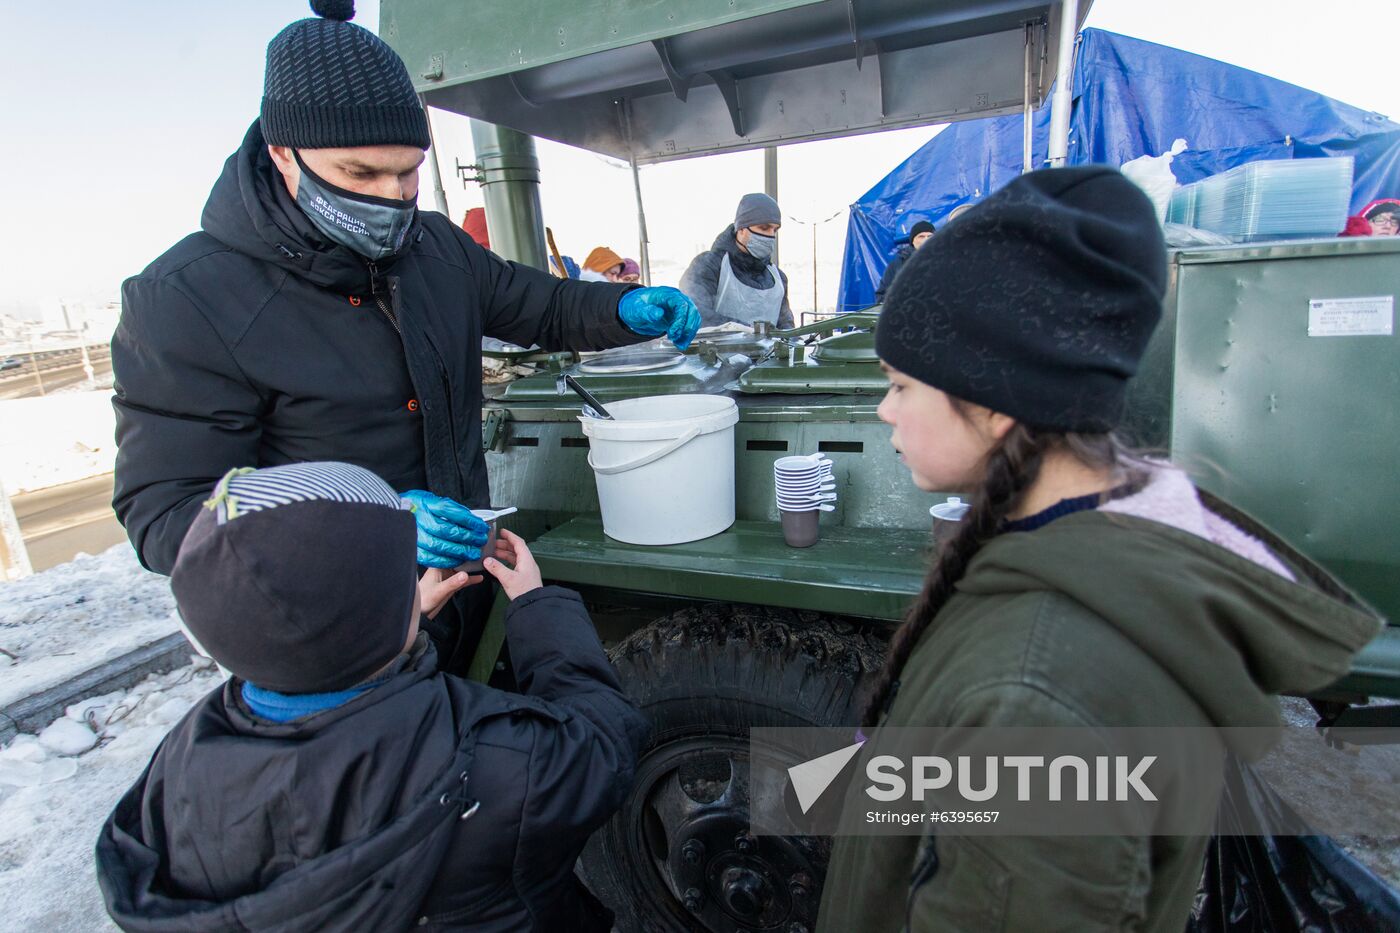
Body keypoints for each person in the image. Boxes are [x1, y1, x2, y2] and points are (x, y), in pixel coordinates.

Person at [817, 167, 1381, 933]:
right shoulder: (1088, 546)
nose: (884, 408)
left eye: (901, 384)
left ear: (989, 402)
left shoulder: (1043, 695)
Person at [110, 0, 700, 674]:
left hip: (465, 598)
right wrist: (367, 522)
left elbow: (541, 305)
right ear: (282, 152)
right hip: (338, 640)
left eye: (410, 170)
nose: (393, 196)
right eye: (361, 175)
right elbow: (169, 514)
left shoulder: (436, 249)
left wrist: (625, 308)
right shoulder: (186, 299)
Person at [96, 462, 647, 932]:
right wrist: (535, 603)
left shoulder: (178, 763)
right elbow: (603, 740)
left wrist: (396, 626)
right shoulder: (494, 760)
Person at [679, 192, 795, 329]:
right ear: (741, 229)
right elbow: (693, 314)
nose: (770, 235)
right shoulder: (708, 266)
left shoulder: (778, 279)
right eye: (764, 228)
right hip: (716, 350)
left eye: (775, 230)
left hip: (770, 351)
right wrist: (747, 332)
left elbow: (786, 326)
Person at [873, 220, 933, 304]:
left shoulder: (944, 261)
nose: (926, 240)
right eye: (921, 236)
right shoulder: (898, 263)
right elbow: (881, 296)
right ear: (913, 241)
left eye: (930, 236)